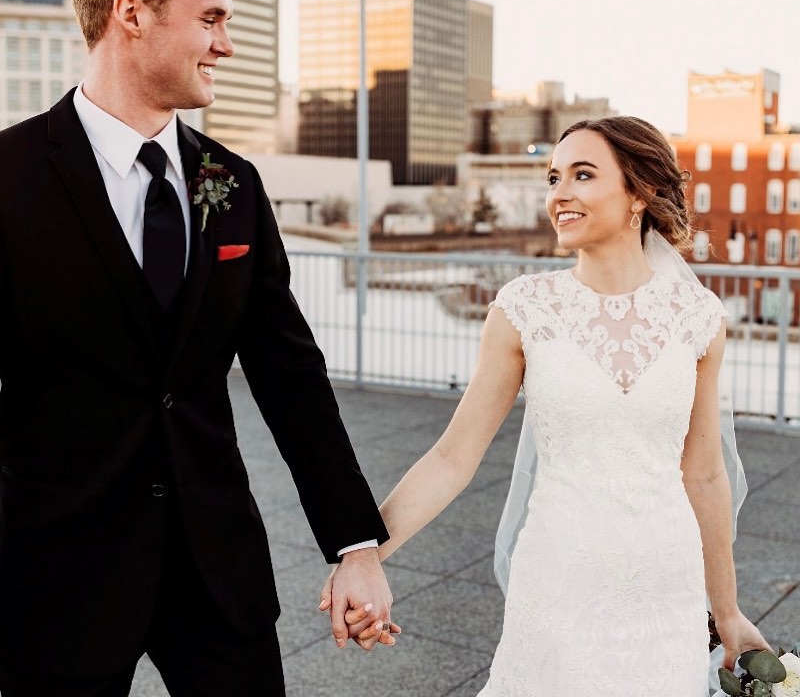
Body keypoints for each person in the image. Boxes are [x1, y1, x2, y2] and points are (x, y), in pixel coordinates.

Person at [0, 0, 393, 696]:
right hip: (54, 580)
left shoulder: (234, 185)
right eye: (211, 18)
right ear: (131, 14)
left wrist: (355, 548)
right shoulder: (9, 176)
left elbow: (291, 376)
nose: (227, 43)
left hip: (218, 572)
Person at [322, 116, 769, 693]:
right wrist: (366, 555)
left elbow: (705, 474)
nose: (559, 194)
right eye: (554, 177)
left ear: (641, 193)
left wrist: (726, 611)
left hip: (668, 585)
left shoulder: (699, 317)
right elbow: (452, 458)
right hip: (559, 579)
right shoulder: (525, 309)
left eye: (582, 175)